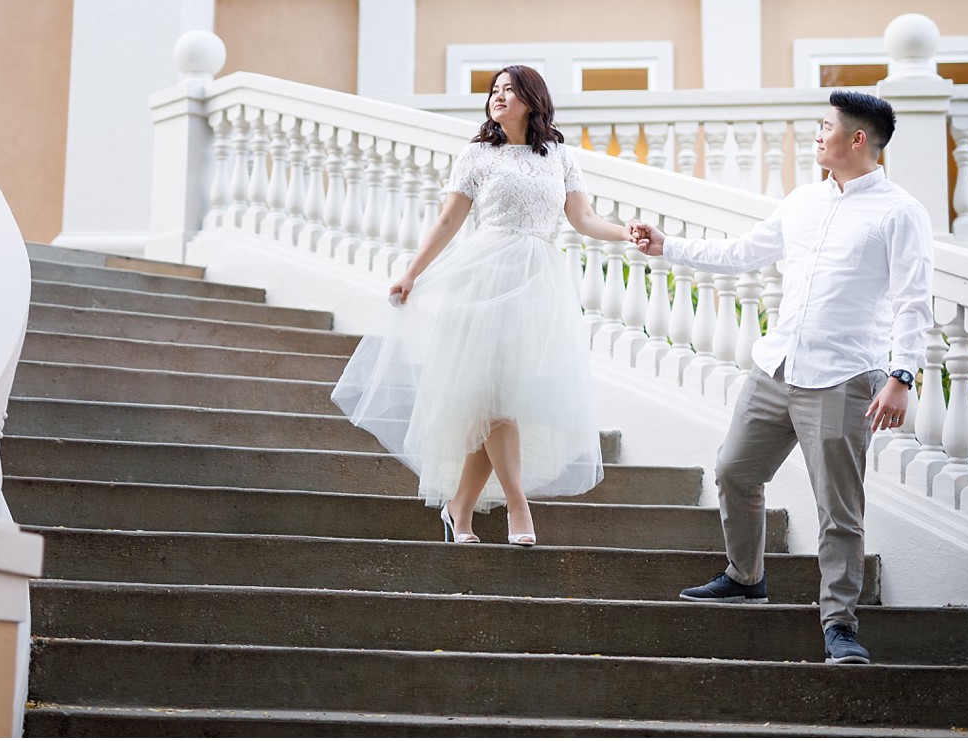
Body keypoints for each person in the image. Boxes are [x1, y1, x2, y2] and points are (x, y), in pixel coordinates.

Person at [628, 90, 932, 666]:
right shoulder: (802, 202)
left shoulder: (899, 211)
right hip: (778, 367)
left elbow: (914, 302)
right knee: (734, 470)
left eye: (825, 127)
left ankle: (839, 625)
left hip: (843, 377)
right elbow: (744, 252)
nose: (817, 136)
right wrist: (668, 247)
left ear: (857, 140)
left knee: (838, 509)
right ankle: (746, 577)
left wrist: (902, 375)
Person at [331, 65, 627, 546]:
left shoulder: (559, 156)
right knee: (493, 398)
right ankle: (518, 505)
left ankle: (459, 509)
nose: (499, 97)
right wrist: (412, 273)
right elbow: (449, 220)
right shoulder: (478, 155)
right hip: (484, 277)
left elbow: (584, 217)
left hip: (536, 282)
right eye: (494, 90)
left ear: (532, 99)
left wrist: (624, 232)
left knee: (503, 399)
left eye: (510, 90)